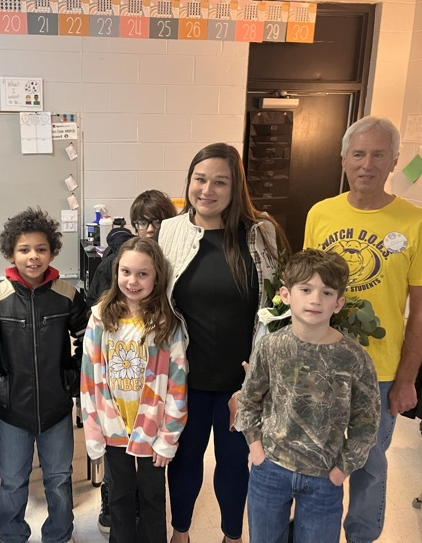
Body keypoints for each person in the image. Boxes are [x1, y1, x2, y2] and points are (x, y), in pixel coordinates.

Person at [303, 116, 422, 543]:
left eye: (378, 154)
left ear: (394, 161)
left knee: (368, 464)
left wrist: (407, 379)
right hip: (319, 364)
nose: (368, 164)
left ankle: (362, 537)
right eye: (359, 154)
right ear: (344, 159)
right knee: (314, 458)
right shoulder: (320, 213)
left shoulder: (418, 223)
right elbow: (306, 291)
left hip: (378, 373)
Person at [157, 143, 288, 543]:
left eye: (220, 181)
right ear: (189, 182)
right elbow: (154, 299)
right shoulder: (171, 231)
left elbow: (278, 309)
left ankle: (232, 536)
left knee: (233, 465)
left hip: (241, 382)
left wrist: (257, 381)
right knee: (184, 461)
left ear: (235, 188)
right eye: (200, 179)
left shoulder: (262, 234)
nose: (207, 189)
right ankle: (180, 533)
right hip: (187, 378)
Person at [231, 249, 380, 542]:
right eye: (306, 289)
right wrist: (256, 450)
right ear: (286, 295)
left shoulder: (354, 358)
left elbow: (367, 421)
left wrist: (342, 469)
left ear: (338, 303)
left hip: (325, 477)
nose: (315, 299)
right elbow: (248, 400)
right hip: (271, 468)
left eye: (326, 292)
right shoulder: (271, 347)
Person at [0, 207, 89, 543]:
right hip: (12, 413)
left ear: (52, 252)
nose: (33, 257)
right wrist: (1, 390)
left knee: (60, 479)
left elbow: (90, 344)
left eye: (41, 249)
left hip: (57, 410)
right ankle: (12, 536)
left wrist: (70, 382)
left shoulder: (67, 295)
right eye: (24, 249)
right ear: (11, 253)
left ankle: (60, 536)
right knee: (13, 481)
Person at [81, 237, 188, 543]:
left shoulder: (166, 322)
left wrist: (168, 437)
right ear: (116, 273)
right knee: (119, 497)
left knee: (153, 498)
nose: (132, 280)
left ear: (157, 277)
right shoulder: (101, 317)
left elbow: (177, 384)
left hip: (153, 432)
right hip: (113, 427)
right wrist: (93, 432)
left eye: (143, 274)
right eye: (126, 272)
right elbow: (89, 380)